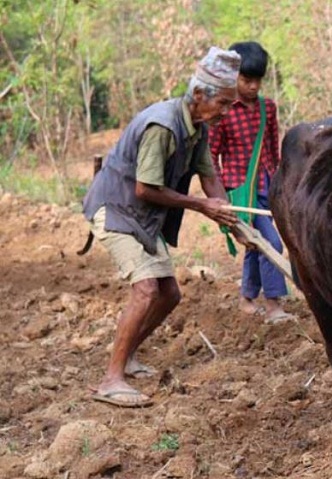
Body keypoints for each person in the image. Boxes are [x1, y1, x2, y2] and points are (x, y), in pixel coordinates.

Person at [82, 47, 248, 407]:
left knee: (169, 293)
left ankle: (127, 356)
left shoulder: (198, 126)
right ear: (199, 95)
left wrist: (233, 223)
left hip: (140, 214)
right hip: (117, 209)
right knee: (145, 290)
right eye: (222, 103)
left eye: (228, 105)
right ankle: (111, 379)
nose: (225, 112)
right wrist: (202, 207)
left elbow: (209, 178)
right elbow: (146, 188)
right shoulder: (163, 125)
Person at [210, 41, 295, 324]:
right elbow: (211, 156)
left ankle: (247, 298)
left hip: (267, 186)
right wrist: (221, 198)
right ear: (233, 76)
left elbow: (274, 149)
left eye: (258, 81)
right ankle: (273, 304)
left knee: (255, 243)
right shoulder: (222, 112)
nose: (253, 87)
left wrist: (282, 185)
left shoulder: (267, 108)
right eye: (247, 80)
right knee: (270, 243)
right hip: (238, 192)